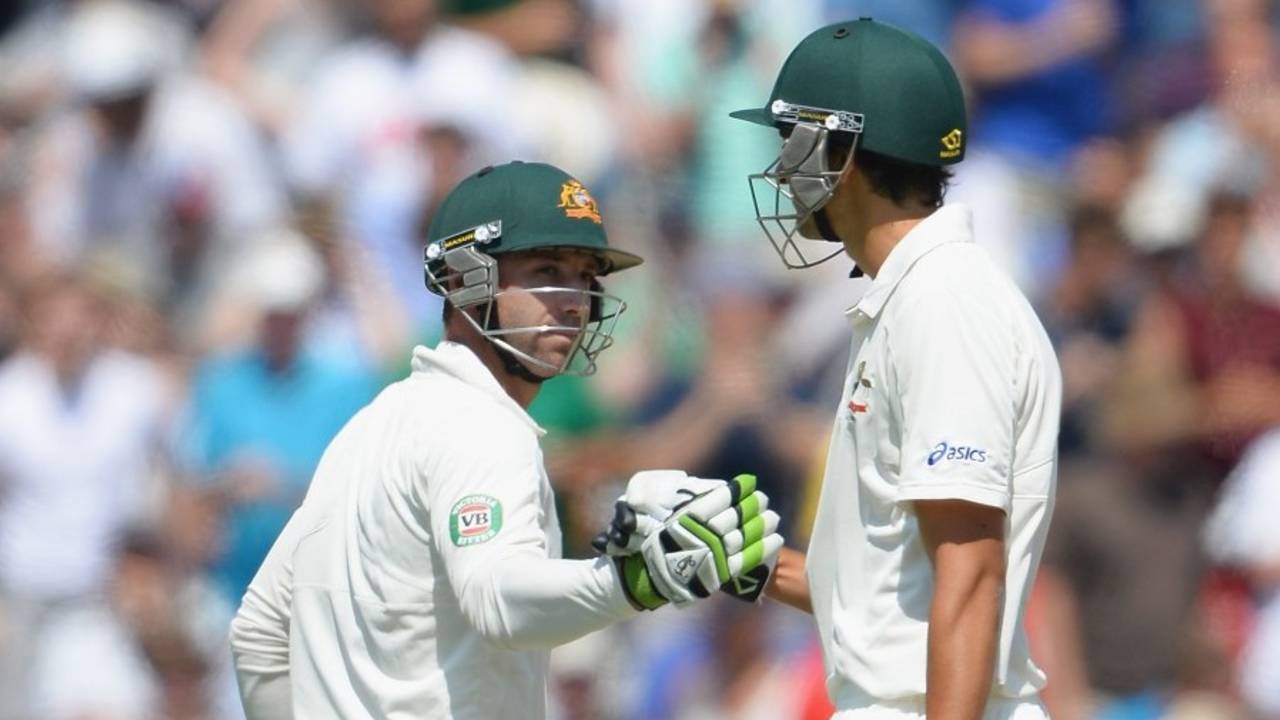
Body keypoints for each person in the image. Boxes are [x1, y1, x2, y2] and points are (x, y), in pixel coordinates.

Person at [228, 161, 783, 719]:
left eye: (586, 277)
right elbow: (497, 597)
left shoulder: (365, 429)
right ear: (464, 277)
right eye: (547, 270)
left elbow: (258, 632)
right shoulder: (482, 426)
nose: (575, 301)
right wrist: (633, 582)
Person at [730, 18, 1063, 719]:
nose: (784, 169)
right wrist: (736, 562)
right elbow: (885, 599)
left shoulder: (944, 305)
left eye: (795, 140)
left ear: (842, 154)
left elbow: (970, 577)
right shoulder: (910, 298)